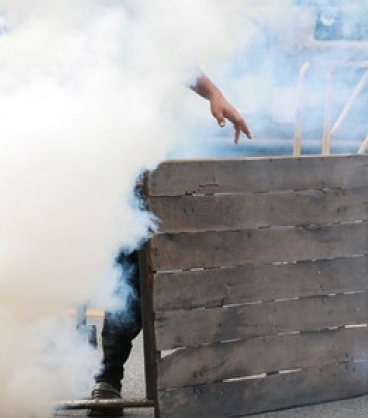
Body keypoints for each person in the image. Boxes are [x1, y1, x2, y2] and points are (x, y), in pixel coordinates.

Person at [89, 73, 251, 417]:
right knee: (110, 264)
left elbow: (174, 56)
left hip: (138, 162)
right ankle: (92, 370)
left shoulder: (134, 31)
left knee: (141, 267)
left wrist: (214, 93)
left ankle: (113, 377)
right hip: (89, 164)